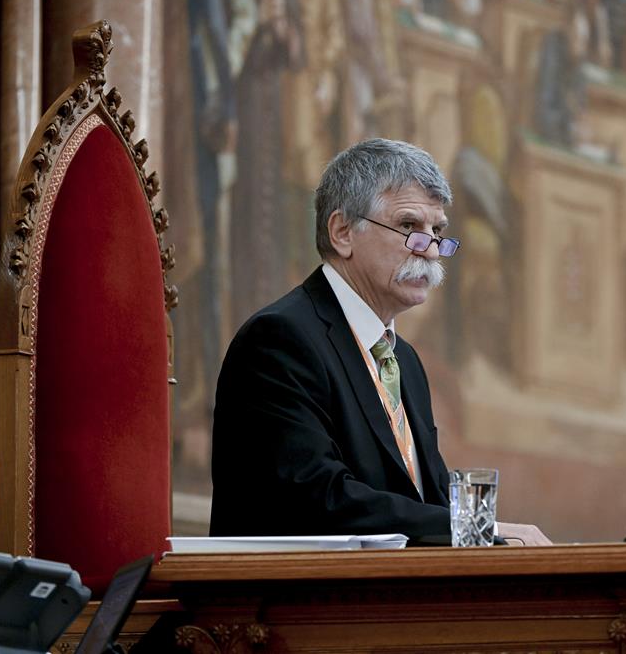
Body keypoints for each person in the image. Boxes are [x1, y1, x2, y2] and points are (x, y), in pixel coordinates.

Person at [210, 138, 550, 545]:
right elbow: (318, 498)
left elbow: (429, 499)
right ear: (342, 232)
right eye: (409, 226)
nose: (430, 250)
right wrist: (481, 532)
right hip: (300, 601)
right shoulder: (281, 340)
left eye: (437, 231)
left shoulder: (403, 358)